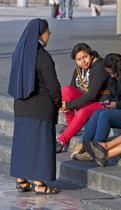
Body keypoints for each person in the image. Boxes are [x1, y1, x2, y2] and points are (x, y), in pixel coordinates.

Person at [8, 19, 62, 194]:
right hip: (41, 108)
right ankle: (39, 183)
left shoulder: (19, 53)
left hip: (21, 106)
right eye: (48, 31)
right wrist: (58, 103)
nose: (49, 35)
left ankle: (21, 180)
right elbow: (53, 86)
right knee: (40, 146)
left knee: (23, 144)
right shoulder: (43, 57)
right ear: (41, 34)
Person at [71, 53, 121, 160]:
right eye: (110, 73)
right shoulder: (117, 75)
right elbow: (115, 94)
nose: (112, 76)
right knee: (98, 113)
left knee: (105, 115)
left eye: (113, 73)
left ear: (119, 68)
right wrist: (110, 102)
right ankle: (83, 144)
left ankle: (97, 149)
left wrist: (116, 104)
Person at [57, 43, 109, 153]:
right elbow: (71, 89)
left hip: (102, 102)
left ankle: (62, 140)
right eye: (79, 59)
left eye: (85, 57)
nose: (83, 61)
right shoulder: (78, 70)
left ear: (91, 55)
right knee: (66, 90)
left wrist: (68, 105)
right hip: (88, 101)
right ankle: (71, 127)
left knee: (81, 112)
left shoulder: (100, 67)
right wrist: (64, 104)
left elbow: (92, 94)